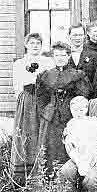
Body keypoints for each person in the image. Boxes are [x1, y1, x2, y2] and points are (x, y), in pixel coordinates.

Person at [36, 42, 91, 173]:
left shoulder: (77, 75)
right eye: (57, 55)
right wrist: (46, 110)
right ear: (53, 57)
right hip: (51, 118)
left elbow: (83, 95)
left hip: (70, 116)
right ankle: (49, 179)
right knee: (51, 147)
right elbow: (40, 97)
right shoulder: (46, 75)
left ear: (68, 56)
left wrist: (76, 111)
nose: (60, 58)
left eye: (63, 55)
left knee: (71, 146)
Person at [11, 33, 54, 183]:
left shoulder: (48, 62)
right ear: (26, 45)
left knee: (41, 132)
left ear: (41, 46)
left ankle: (41, 172)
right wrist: (25, 102)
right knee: (27, 132)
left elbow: (51, 82)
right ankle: (24, 175)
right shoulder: (20, 63)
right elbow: (17, 87)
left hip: (43, 100)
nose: (35, 46)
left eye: (38, 43)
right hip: (27, 101)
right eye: (32, 43)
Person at [62, 96, 97, 177]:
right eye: (75, 110)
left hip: (91, 149)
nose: (78, 113)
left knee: (91, 161)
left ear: (86, 109)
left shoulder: (92, 121)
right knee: (72, 159)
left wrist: (93, 145)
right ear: (71, 110)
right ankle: (80, 165)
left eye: (81, 110)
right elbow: (69, 141)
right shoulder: (71, 124)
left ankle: (86, 169)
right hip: (77, 150)